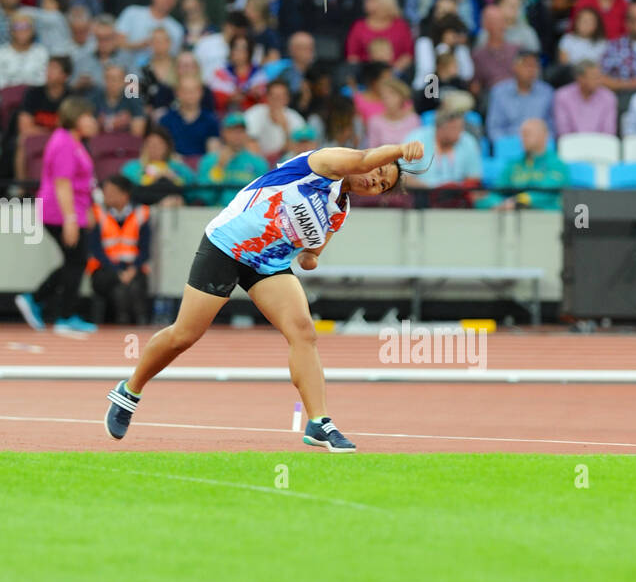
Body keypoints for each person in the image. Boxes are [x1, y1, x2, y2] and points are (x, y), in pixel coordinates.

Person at [104, 139, 428, 453]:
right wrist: (400, 150)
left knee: (303, 331)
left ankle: (319, 422)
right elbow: (360, 161)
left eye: (381, 186)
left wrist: (310, 257)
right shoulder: (324, 164)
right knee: (184, 335)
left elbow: (312, 253)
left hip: (267, 264)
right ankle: (129, 391)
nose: (374, 181)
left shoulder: (340, 210)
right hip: (228, 244)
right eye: (379, 171)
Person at [15, 98, 99, 336]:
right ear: (75, 117)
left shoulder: (75, 142)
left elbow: (82, 183)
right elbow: (62, 184)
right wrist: (70, 219)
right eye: (88, 116)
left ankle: (36, 299)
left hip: (71, 210)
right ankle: (63, 315)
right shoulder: (64, 143)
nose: (93, 121)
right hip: (59, 211)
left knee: (74, 261)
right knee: (77, 261)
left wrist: (87, 210)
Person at [87, 174, 151, 326]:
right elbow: (95, 249)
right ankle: (123, 322)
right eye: (105, 192)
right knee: (118, 286)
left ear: (125, 194)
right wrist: (117, 271)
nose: (106, 196)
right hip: (105, 269)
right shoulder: (97, 213)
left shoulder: (141, 213)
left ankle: (137, 322)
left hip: (132, 268)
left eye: (111, 192)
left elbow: (145, 249)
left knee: (132, 287)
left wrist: (132, 269)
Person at [485, 50, 554, 142]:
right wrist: (507, 144)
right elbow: (494, 128)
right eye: (527, 66)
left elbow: (552, 126)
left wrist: (544, 142)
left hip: (539, 145)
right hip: (509, 144)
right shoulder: (499, 92)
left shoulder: (547, 92)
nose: (531, 70)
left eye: (535, 66)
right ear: (515, 67)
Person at [199, 113, 263, 206]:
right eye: (233, 131)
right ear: (223, 133)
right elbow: (203, 196)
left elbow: (262, 197)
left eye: (241, 131)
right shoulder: (209, 161)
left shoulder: (258, 163)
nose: (237, 135)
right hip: (215, 213)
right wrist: (219, 167)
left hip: (246, 214)